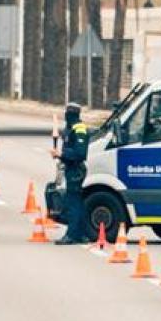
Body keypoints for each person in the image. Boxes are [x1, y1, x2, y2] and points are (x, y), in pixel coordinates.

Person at [52, 104, 91, 245]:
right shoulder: (69, 129)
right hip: (71, 169)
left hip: (76, 170)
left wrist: (62, 154)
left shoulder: (79, 129)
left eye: (68, 113)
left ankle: (72, 235)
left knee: (73, 203)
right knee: (76, 203)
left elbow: (80, 153)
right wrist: (59, 156)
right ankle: (81, 234)